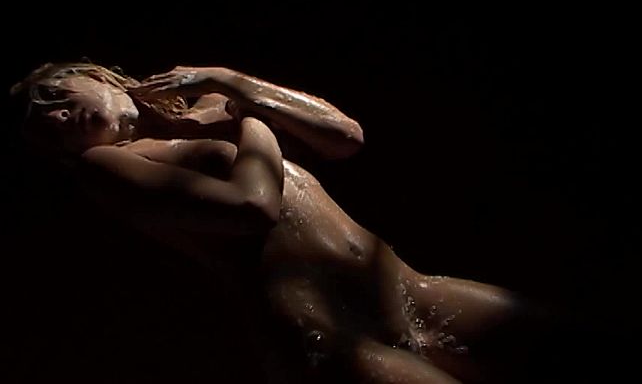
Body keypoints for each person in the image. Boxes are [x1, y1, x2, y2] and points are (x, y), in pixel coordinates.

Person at [11, 62, 547, 383]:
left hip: (403, 288)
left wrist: (231, 80)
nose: (60, 116)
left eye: (57, 97)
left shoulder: (206, 104)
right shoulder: (104, 165)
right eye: (46, 126)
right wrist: (252, 120)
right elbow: (252, 206)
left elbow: (344, 136)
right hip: (325, 336)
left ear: (94, 75)